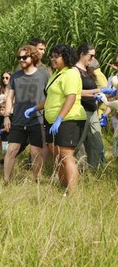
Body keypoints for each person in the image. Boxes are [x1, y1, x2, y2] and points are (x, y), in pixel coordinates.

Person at [3, 45, 50, 184]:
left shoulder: (44, 75)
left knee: (35, 153)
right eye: (19, 58)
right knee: (11, 150)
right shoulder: (16, 76)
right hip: (18, 120)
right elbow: (9, 98)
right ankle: (6, 181)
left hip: (37, 120)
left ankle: (37, 180)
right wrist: (7, 116)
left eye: (24, 57)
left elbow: (51, 96)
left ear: (33, 57)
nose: (21, 60)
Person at [43, 44, 86, 193]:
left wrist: (59, 118)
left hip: (69, 119)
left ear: (65, 57)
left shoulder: (71, 74)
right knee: (56, 154)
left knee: (66, 155)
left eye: (56, 56)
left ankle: (72, 193)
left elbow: (71, 97)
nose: (53, 59)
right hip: (50, 120)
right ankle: (63, 187)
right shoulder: (56, 74)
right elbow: (49, 98)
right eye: (52, 56)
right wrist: (35, 108)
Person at [73, 43, 105, 168]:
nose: (92, 59)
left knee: (96, 144)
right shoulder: (74, 71)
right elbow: (74, 92)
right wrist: (96, 92)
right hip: (81, 111)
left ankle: (93, 173)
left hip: (93, 111)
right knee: (78, 144)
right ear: (82, 54)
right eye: (90, 56)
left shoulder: (88, 71)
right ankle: (74, 171)